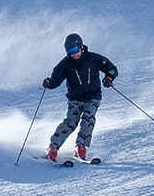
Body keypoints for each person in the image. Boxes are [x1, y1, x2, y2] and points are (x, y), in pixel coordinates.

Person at [41, 33, 118, 161]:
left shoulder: (93, 58)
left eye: (75, 50)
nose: (74, 54)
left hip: (93, 96)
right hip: (75, 98)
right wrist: (49, 83)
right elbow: (55, 80)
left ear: (81, 47)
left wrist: (109, 78)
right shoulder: (65, 64)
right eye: (70, 52)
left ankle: (80, 146)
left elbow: (112, 69)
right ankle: (53, 147)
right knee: (71, 121)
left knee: (88, 118)